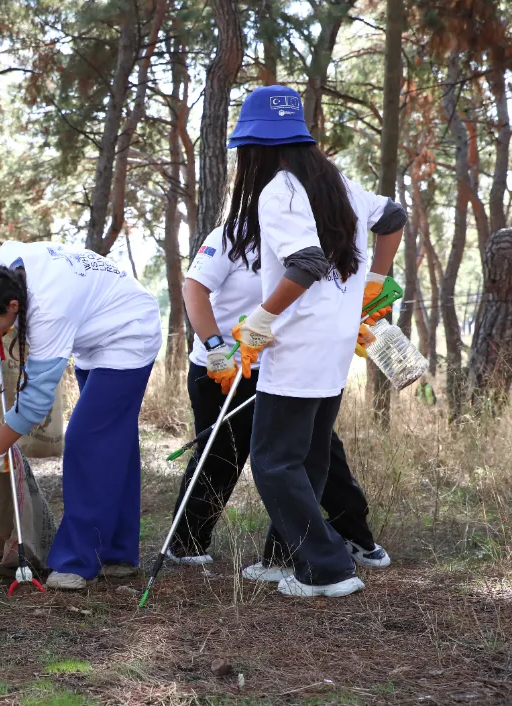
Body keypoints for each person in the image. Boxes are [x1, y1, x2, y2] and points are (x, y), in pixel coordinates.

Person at [222, 85, 405, 597]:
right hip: (336, 342)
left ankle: (327, 569)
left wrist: (260, 318)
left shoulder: (278, 191)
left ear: (256, 145)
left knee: (275, 461)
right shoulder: (336, 181)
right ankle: (285, 558)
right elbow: (392, 218)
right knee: (309, 459)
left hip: (298, 344)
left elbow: (307, 263)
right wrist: (375, 284)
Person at [166, 228, 392, 572]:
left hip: (292, 366)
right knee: (220, 455)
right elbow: (194, 288)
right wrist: (214, 347)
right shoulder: (231, 235)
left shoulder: (317, 234)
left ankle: (354, 535)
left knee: (319, 450)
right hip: (226, 365)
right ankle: (186, 543)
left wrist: (354, 323)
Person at [0, 242, 162, 590]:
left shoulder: (50, 310)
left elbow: (35, 401)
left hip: (128, 331)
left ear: (14, 305)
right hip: (93, 332)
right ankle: (117, 552)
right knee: (113, 442)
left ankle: (77, 561)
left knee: (86, 442)